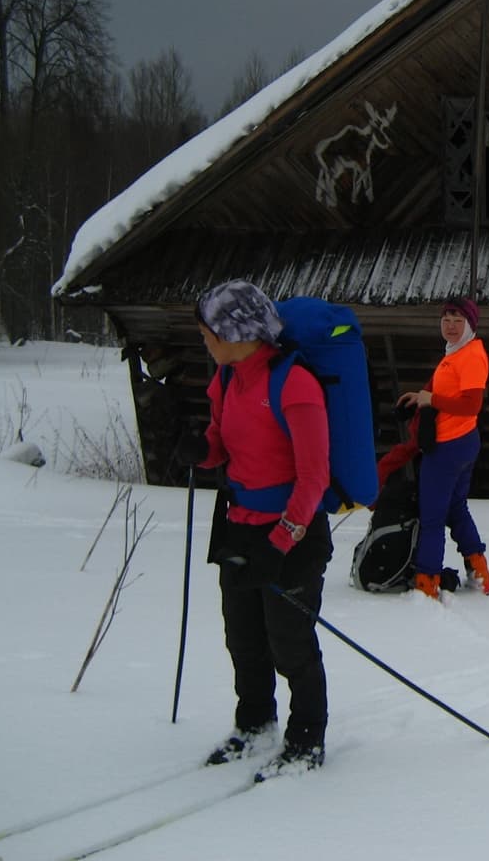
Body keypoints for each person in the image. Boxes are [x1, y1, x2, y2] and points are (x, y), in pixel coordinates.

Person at [174, 279, 333, 780]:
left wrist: (280, 542)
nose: (204, 341)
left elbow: (313, 479)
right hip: (238, 528)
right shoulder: (225, 381)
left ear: (236, 331)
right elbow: (222, 444)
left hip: (294, 535)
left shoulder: (295, 384)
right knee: (243, 638)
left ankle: (307, 740)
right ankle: (255, 723)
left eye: (207, 333)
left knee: (291, 643)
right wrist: (202, 451)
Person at [394, 297, 489, 599]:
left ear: (470, 324)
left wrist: (431, 400)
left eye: (458, 320)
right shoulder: (457, 351)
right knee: (455, 507)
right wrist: (422, 394)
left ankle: (426, 582)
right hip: (460, 443)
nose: (451, 326)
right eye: (446, 319)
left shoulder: (471, 356)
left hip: (450, 446)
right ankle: (478, 569)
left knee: (433, 515)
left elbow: (472, 404)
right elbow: (447, 389)